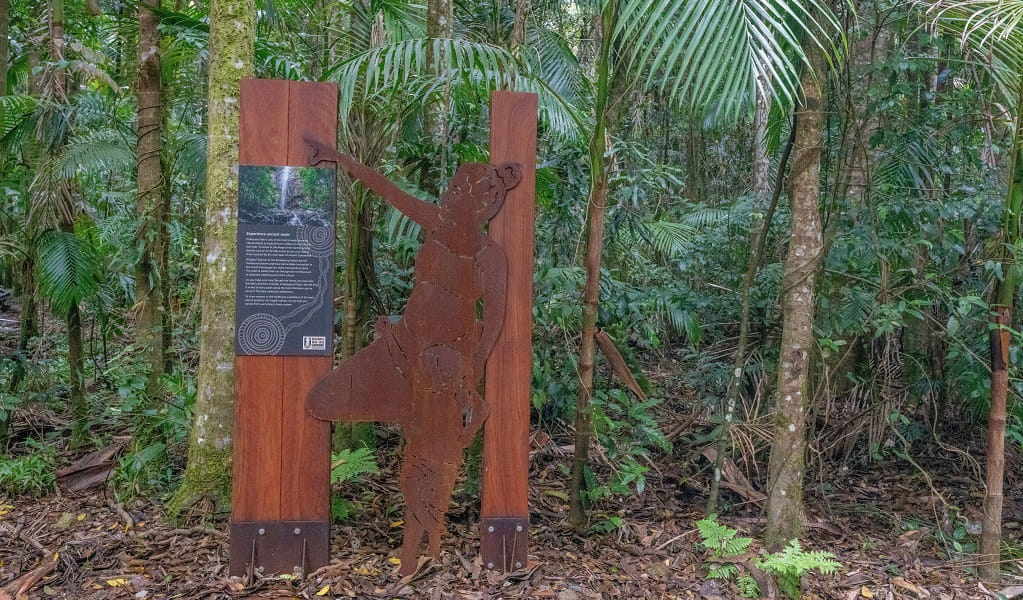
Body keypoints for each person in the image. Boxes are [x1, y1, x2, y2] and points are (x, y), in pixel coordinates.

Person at [305, 139, 520, 574]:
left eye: (461, 191)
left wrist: (469, 374)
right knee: (322, 400)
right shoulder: (437, 222)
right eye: (453, 187)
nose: (450, 195)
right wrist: (343, 158)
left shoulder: (488, 255)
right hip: (400, 347)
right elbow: (388, 190)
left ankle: (419, 551)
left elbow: (493, 321)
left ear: (484, 205)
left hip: (442, 366)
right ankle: (407, 414)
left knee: (426, 461)